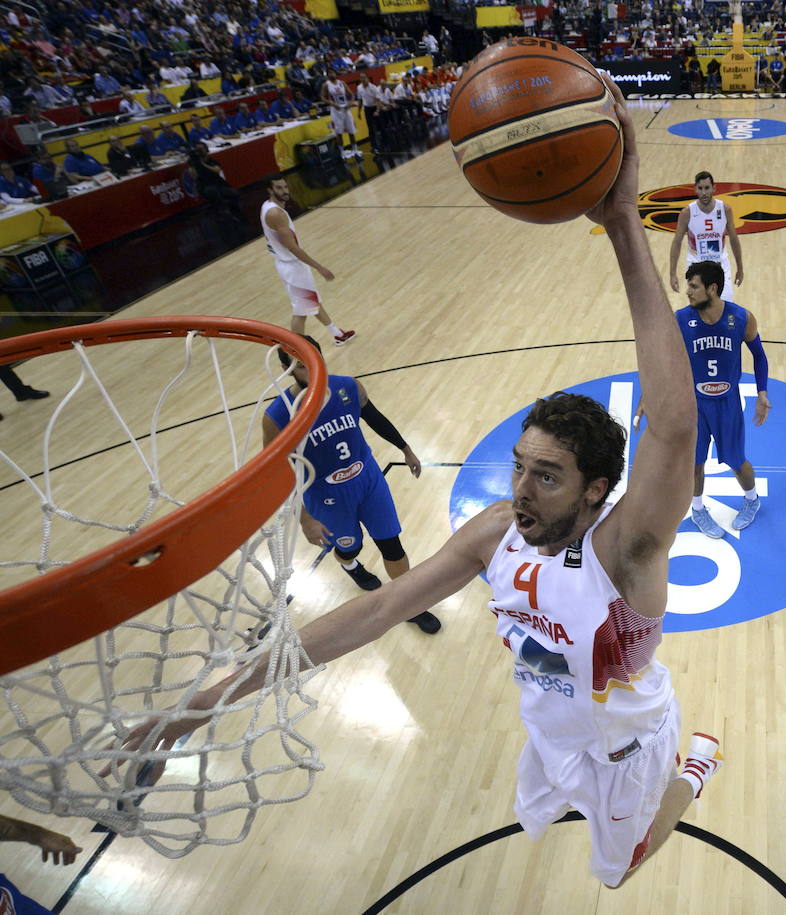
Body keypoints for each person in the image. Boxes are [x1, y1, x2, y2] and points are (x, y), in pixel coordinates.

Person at [111, 79, 724, 890]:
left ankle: (699, 767)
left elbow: (674, 428)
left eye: (547, 476)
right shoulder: (494, 532)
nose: (523, 489)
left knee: (621, 869)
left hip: (629, 744)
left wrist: (621, 225)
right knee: (547, 813)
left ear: (594, 490)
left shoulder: (627, 548)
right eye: (519, 465)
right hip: (551, 732)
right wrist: (205, 699)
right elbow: (374, 609)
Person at [263, 336, 439, 633]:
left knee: (392, 545)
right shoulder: (278, 415)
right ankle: (350, 565)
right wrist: (304, 517)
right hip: (325, 494)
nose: (314, 372)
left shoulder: (348, 386)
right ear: (286, 368)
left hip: (368, 480)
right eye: (304, 367)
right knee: (350, 547)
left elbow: (374, 417)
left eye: (317, 362)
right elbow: (276, 469)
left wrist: (405, 448)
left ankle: (410, 604)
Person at [652, 258, 770, 537]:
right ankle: (697, 509)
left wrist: (762, 392)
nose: (688, 291)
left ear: (712, 288)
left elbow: (759, 356)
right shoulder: (681, 319)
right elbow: (664, 358)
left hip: (727, 403)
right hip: (694, 404)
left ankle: (752, 500)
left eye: (694, 286)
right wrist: (653, 392)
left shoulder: (741, 318)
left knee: (737, 461)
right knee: (695, 463)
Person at [260, 174, 355, 344]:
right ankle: (295, 349)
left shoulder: (267, 206)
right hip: (292, 267)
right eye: (279, 188)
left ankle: (336, 334)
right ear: (270, 190)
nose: (284, 191)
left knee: (311, 301)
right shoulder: (275, 214)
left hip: (287, 264)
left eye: (285, 187)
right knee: (301, 311)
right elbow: (293, 247)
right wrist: (319, 267)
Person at [667, 171, 744, 302]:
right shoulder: (687, 213)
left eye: (707, 188)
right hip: (696, 263)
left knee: (725, 304)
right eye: (700, 188)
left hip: (720, 262)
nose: (704, 193)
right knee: (699, 306)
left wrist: (740, 268)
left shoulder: (724, 209)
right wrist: (672, 274)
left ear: (714, 188)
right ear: (695, 189)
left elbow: (734, 239)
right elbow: (676, 242)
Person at [320, 69, 360, 159]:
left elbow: (352, 94)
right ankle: (342, 152)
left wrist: (350, 103)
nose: (331, 74)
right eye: (329, 73)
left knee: (351, 130)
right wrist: (332, 103)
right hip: (335, 110)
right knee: (339, 132)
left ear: (335, 73)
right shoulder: (326, 85)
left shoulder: (342, 82)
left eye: (332, 72)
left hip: (345, 108)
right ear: (327, 75)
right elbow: (322, 97)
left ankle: (355, 150)